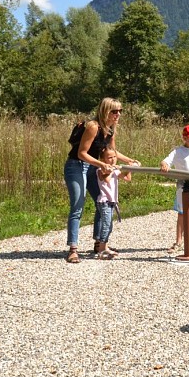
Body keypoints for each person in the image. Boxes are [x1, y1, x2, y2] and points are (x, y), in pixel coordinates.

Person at [64, 97, 139, 264]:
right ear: (105, 111)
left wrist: (129, 161)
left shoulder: (111, 129)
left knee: (102, 201)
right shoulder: (93, 126)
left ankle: (99, 243)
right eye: (114, 111)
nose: (118, 114)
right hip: (76, 166)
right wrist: (102, 164)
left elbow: (112, 151)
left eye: (120, 111)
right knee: (77, 205)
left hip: (93, 167)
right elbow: (81, 153)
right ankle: (73, 249)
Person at [160, 124, 189, 251]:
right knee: (182, 215)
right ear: (185, 138)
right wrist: (164, 165)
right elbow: (165, 161)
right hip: (183, 189)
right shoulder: (177, 152)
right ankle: (178, 241)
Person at [94, 147, 132, 259]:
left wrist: (129, 168)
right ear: (103, 159)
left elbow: (127, 178)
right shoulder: (100, 170)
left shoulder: (115, 170)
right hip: (104, 201)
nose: (113, 159)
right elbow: (106, 179)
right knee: (106, 225)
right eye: (109, 157)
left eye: (114, 157)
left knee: (109, 226)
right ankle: (101, 249)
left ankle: (104, 247)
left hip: (111, 202)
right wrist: (112, 169)